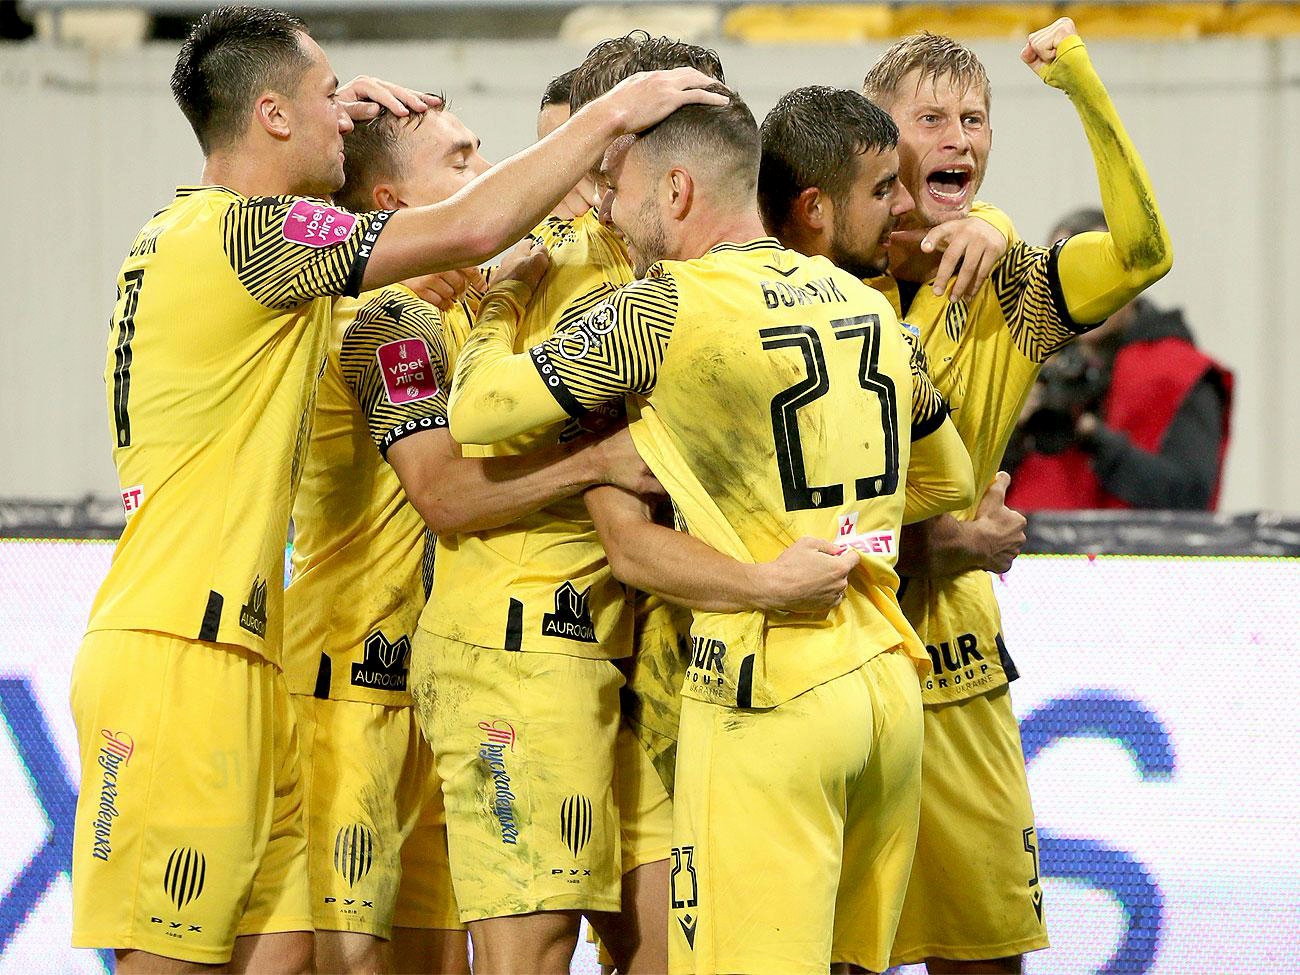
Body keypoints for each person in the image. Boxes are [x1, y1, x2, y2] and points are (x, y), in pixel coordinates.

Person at [69, 4, 725, 970]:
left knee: (291, 956)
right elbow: (470, 227)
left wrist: (338, 125)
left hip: (248, 660)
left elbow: (406, 222)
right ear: (272, 115)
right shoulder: (247, 240)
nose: (344, 109)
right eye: (325, 95)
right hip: (182, 654)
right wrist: (612, 116)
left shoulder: (217, 244)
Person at [445, 83, 976, 974]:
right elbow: (947, 478)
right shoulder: (864, 302)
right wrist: (841, 534)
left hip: (770, 687)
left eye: (620, 190)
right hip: (885, 686)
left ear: (678, 190)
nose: (609, 211)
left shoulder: (657, 309)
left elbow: (478, 409)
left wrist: (499, 304)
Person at [282, 98, 664, 975]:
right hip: (348, 690)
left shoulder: (466, 313)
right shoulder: (382, 321)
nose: (486, 174)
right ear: (391, 205)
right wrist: (593, 464)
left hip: (434, 686)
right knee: (346, 962)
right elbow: (444, 496)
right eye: (460, 162)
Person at [860, 19, 1173, 973]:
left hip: (956, 667)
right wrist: (944, 542)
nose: (958, 137)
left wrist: (1079, 82)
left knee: (986, 957)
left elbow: (1143, 253)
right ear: (875, 136)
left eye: (975, 119)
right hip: (832, 657)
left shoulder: (1015, 290)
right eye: (930, 118)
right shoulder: (814, 276)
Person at [1004, 208, 1232, 511]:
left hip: (1140, 542)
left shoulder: (1179, 373)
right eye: (1065, 277)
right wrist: (1008, 432)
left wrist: (1093, 437)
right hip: (1029, 540)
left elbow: (1190, 500)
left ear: (1132, 277)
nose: (1084, 293)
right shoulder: (1024, 363)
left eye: (1100, 274)